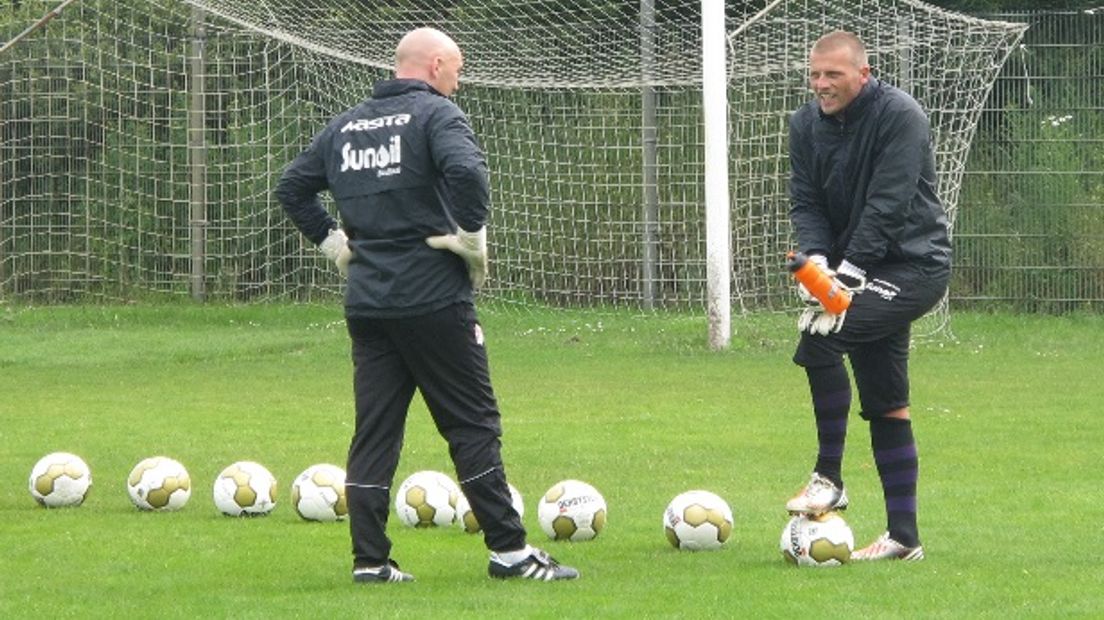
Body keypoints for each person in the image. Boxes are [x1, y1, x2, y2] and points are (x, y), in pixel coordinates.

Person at [274, 26, 578, 583]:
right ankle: (509, 553)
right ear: (436, 65)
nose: (457, 83)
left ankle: (370, 561)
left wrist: (334, 245)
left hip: (367, 303)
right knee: (472, 423)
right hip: (434, 299)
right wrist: (472, 237)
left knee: (376, 431)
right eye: (457, 71)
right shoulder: (437, 116)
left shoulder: (345, 126)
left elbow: (292, 185)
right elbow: (466, 172)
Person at [784, 30, 952, 562]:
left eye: (832, 74)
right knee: (887, 402)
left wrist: (847, 277)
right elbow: (805, 201)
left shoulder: (901, 115)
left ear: (864, 73)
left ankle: (829, 477)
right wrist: (817, 262)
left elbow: (888, 203)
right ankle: (905, 538)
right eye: (814, 74)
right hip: (855, 268)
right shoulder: (804, 124)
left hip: (914, 265)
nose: (820, 84)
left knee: (821, 333)